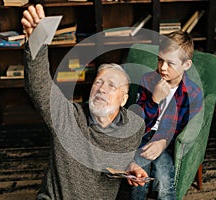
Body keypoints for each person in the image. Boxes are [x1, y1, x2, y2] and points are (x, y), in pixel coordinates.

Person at [21, 4, 148, 200]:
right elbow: (38, 86)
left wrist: (130, 167)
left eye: (112, 85)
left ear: (124, 99)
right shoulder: (68, 117)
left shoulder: (135, 126)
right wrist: (36, 40)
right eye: (98, 82)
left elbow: (118, 158)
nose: (102, 88)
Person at [130, 31, 203, 199]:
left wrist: (162, 142)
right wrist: (154, 99)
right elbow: (138, 122)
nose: (162, 67)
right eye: (160, 60)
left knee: (164, 179)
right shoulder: (148, 80)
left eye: (170, 63)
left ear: (186, 65)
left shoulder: (192, 94)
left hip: (167, 143)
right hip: (143, 136)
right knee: (138, 177)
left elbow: (184, 128)